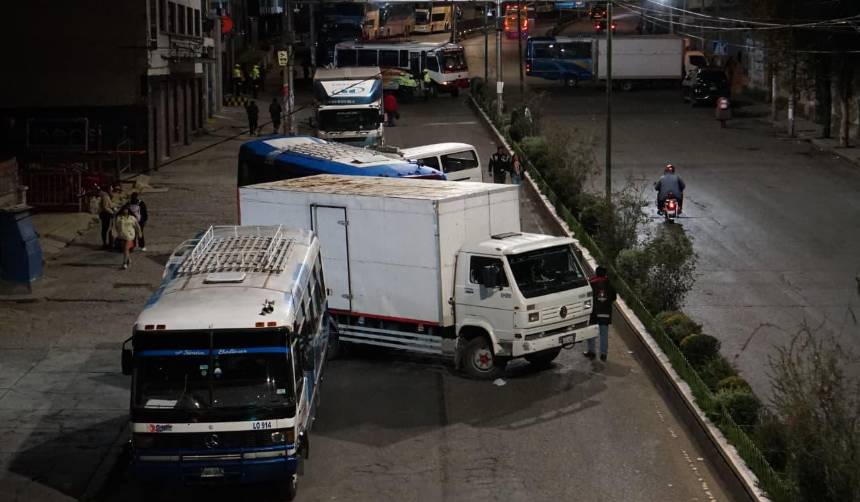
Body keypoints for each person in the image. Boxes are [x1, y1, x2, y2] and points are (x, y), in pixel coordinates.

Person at [584, 265, 616, 361]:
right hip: (605, 313)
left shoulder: (591, 284)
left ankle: (592, 352)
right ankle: (603, 354)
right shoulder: (609, 284)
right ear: (605, 274)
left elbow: (587, 298)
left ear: (596, 273)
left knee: (591, 332)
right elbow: (613, 297)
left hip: (593, 313)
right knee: (604, 334)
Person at [114, 205, 141, 270]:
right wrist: (114, 234)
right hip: (122, 235)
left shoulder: (132, 218)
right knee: (125, 250)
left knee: (126, 248)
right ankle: (128, 259)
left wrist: (139, 233)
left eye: (126, 210)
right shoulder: (119, 218)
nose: (125, 211)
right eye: (124, 210)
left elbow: (137, 226)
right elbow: (115, 226)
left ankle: (124, 263)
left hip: (130, 235)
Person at [97, 184, 116, 249]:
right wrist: (112, 212)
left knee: (106, 228)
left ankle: (106, 243)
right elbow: (105, 207)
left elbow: (109, 204)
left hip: (105, 213)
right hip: (105, 214)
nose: (112, 189)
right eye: (111, 188)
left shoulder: (106, 195)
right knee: (105, 229)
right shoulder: (105, 196)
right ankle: (105, 244)